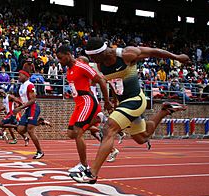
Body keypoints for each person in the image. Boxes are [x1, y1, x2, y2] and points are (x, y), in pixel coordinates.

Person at [70, 37, 189, 183]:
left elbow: (152, 51)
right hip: (123, 103)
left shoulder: (127, 54)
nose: (93, 60)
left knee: (108, 129)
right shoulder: (101, 65)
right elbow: (113, 82)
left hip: (136, 100)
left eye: (93, 57)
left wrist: (176, 57)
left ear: (102, 52)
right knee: (142, 137)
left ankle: (92, 173)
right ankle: (164, 111)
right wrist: (113, 100)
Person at [56, 46, 112, 174]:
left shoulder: (81, 66)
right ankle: (98, 118)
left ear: (68, 54)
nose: (59, 61)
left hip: (87, 100)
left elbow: (101, 81)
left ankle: (84, 165)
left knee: (77, 132)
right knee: (71, 133)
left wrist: (107, 101)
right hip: (79, 104)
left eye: (60, 58)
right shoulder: (68, 70)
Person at [12, 70, 44, 159]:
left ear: (26, 76)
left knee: (30, 130)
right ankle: (37, 122)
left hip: (33, 107)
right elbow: (24, 100)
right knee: (20, 129)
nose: (18, 77)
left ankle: (40, 151)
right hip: (27, 109)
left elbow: (33, 100)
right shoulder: (22, 86)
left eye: (20, 75)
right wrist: (19, 105)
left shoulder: (29, 85)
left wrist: (20, 108)